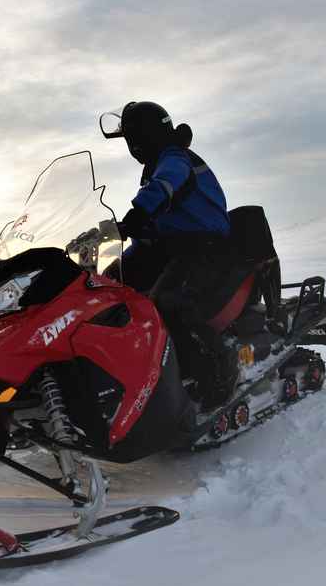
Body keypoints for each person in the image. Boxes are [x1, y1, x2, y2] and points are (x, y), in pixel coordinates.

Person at [100, 101, 239, 407]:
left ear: (145, 137)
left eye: (132, 139)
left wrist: (137, 214)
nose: (131, 148)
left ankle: (218, 369)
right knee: (106, 289)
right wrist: (117, 241)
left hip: (204, 246)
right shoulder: (158, 165)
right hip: (171, 247)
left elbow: (165, 188)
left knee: (169, 301)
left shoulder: (175, 160)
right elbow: (159, 225)